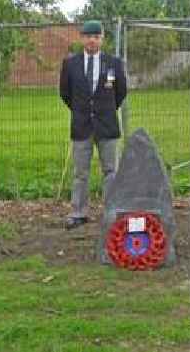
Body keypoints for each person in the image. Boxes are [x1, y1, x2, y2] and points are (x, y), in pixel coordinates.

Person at [59, 20, 127, 229]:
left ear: (102, 39)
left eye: (96, 36)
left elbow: (120, 92)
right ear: (82, 39)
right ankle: (79, 212)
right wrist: (82, 112)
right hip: (82, 126)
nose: (92, 40)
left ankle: (112, 211)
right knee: (80, 173)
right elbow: (65, 93)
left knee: (110, 171)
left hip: (107, 126)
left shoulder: (113, 63)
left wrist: (104, 110)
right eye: (88, 36)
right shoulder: (70, 64)